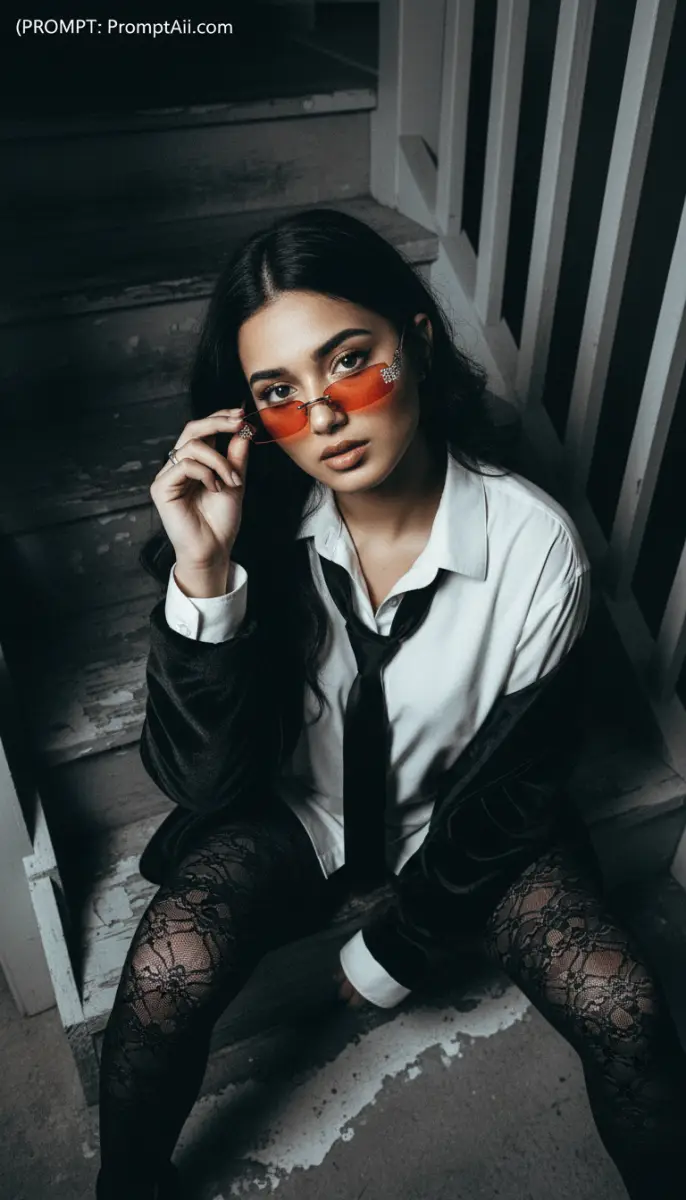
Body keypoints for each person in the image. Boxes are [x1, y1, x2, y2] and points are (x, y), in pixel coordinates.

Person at [95, 208, 686, 1200]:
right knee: (167, 967)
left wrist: (399, 945)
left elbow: (518, 786)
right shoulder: (256, 531)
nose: (321, 416)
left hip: (463, 816)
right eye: (276, 393)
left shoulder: (532, 548)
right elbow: (205, 779)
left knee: (620, 1002)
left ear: (413, 338)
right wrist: (205, 574)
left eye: (348, 361)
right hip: (298, 809)